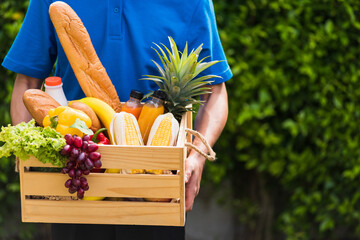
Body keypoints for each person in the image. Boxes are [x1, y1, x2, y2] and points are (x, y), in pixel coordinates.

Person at [2, 0, 231, 239]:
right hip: (76, 182)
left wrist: (198, 157)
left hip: (155, 190)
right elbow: (27, 83)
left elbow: (214, 92)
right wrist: (31, 158)